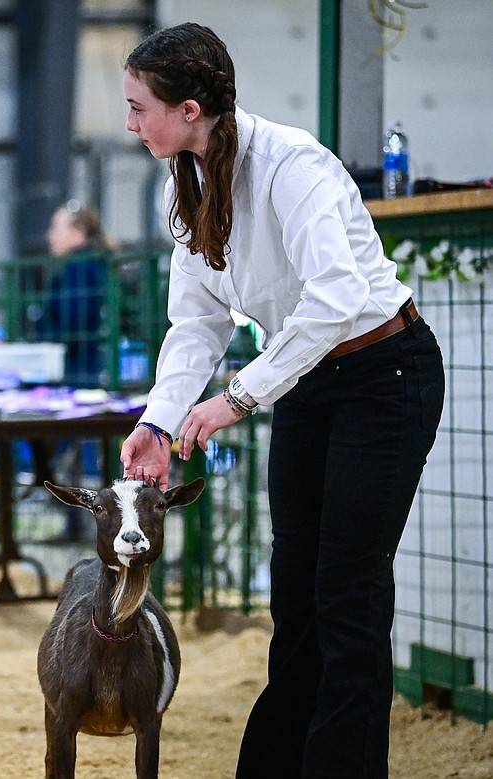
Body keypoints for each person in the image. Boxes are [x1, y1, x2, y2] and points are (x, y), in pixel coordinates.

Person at [118, 23, 445, 778]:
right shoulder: (188, 183)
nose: (131, 122)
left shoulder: (292, 165)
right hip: (307, 380)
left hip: (383, 374)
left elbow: (337, 299)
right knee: (296, 593)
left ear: (191, 109)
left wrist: (238, 396)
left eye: (140, 108)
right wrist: (159, 422)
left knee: (348, 595)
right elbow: (195, 321)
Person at [33, 202, 111, 544]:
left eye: (57, 227)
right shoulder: (89, 264)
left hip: (77, 370)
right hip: (84, 366)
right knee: (74, 452)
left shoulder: (79, 267)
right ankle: (80, 525)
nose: (51, 235)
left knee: (70, 449)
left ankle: (81, 526)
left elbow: (72, 319)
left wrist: (48, 343)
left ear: (77, 232)